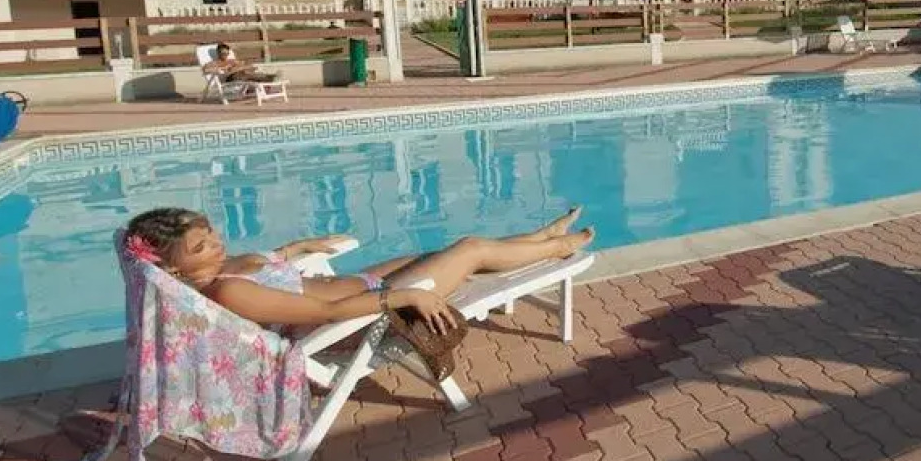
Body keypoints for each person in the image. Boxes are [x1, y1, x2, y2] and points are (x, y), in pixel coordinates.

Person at [121, 206, 595, 334]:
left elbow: (270, 261)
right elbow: (330, 316)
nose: (217, 245)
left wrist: (299, 246)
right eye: (202, 246)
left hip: (368, 280)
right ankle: (555, 249)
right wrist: (401, 298)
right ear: (173, 269)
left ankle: (536, 239)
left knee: (446, 251)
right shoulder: (228, 295)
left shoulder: (225, 270)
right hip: (369, 308)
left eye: (213, 233)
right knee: (469, 251)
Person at [203, 42, 278, 84]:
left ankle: (266, 78)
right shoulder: (215, 62)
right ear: (218, 53)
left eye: (227, 54)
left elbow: (245, 65)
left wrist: (244, 66)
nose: (225, 56)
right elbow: (205, 70)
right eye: (223, 54)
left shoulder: (231, 61)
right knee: (242, 73)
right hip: (230, 79)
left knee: (246, 71)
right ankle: (268, 78)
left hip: (241, 76)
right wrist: (223, 68)